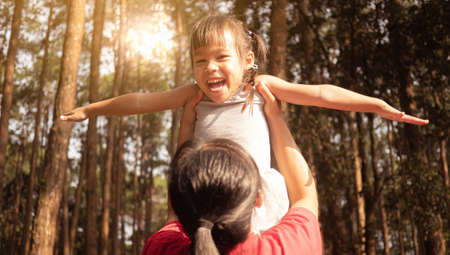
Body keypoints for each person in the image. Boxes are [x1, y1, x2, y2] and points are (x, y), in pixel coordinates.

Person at [60, 14, 428, 232]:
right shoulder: (193, 95)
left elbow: (320, 93)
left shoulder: (261, 87)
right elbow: (141, 100)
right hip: (208, 195)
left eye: (221, 57)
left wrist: (376, 105)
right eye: (199, 61)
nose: (210, 68)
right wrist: (92, 110)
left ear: (247, 59)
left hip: (254, 196)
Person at [142, 82, 322, 255]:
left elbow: (174, 212)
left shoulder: (161, 248)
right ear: (258, 197)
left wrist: (188, 122)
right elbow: (304, 196)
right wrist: (275, 117)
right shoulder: (284, 248)